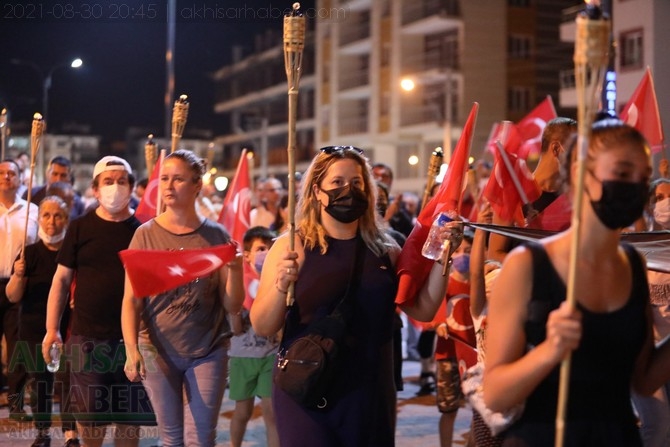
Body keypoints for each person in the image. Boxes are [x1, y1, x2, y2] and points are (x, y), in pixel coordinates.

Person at [250, 145, 462, 446]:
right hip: (308, 388)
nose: (348, 190)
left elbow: (423, 310)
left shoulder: (387, 250)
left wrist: (444, 258)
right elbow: (263, 325)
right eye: (337, 183)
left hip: (369, 392)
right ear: (316, 191)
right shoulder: (290, 247)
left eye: (357, 183)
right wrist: (280, 286)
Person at [483, 119, 670, 446]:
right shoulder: (527, 265)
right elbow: (496, 394)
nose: (635, 186)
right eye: (623, 174)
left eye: (643, 177)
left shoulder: (633, 266)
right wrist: (549, 351)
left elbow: (642, 380)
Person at [121, 149, 244, 446]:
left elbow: (233, 305)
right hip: (156, 349)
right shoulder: (145, 235)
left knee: (201, 438)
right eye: (164, 178)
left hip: (208, 349)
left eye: (178, 179)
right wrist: (131, 349)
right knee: (171, 438)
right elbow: (131, 299)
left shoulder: (216, 234)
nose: (168, 186)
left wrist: (237, 269)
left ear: (197, 185)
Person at [43, 155, 155, 447]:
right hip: (86, 340)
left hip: (134, 343)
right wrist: (51, 329)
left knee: (129, 426)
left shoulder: (144, 230)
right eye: (108, 181)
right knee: (91, 424)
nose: (114, 187)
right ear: (95, 189)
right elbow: (61, 281)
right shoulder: (80, 227)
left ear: (131, 186)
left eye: (121, 181)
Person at [5, 196, 79, 447]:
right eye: (46, 215)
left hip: (67, 327)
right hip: (34, 327)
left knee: (67, 382)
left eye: (57, 215)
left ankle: (71, 433)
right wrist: (18, 274)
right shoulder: (29, 253)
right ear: (39, 219)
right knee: (41, 384)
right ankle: (43, 432)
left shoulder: (72, 253)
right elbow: (13, 295)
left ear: (66, 219)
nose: (51, 221)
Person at [488, 117, 577, 262]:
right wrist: (538, 266)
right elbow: (494, 254)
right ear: (556, 149)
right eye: (576, 149)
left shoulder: (574, 197)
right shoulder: (514, 192)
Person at [229, 226, 280, 447]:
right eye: (261, 248)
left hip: (270, 356)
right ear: (247, 254)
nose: (266, 253)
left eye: (270, 248)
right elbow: (236, 328)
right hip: (242, 355)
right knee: (242, 411)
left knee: (271, 412)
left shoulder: (276, 279)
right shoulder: (238, 280)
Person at [631, 177, 670, 447]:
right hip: (650, 353)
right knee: (656, 427)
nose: (664, 203)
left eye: (667, 196)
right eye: (658, 198)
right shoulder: (642, 253)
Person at [0, 159, 39, 420]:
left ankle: (15, 404)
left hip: (16, 285)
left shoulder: (31, 211)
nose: (6, 177)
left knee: (16, 348)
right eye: (1, 173)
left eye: (11, 173)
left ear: (20, 178)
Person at [433, 230, 474, 447]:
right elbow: (434, 309)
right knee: (449, 409)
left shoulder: (480, 284)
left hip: (474, 357)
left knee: (478, 410)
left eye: (468, 251)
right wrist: (439, 323)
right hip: (448, 355)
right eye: (457, 251)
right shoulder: (443, 282)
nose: (462, 256)